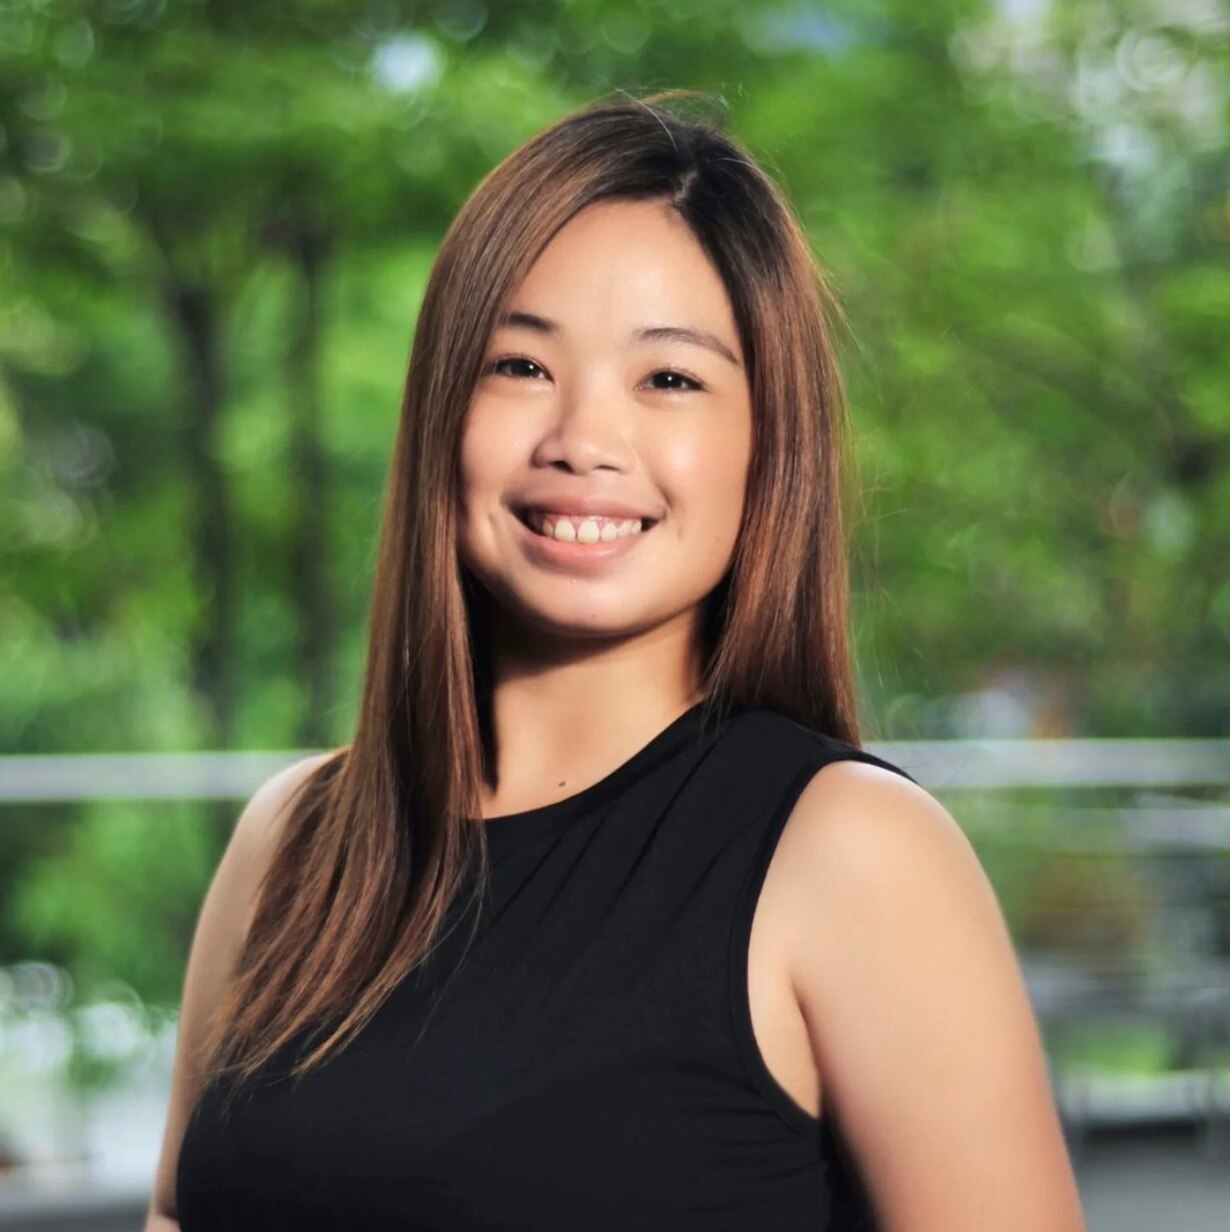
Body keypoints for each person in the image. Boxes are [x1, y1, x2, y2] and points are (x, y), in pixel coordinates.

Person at [145, 91, 1087, 1231]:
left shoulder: (851, 854)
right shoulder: (293, 837)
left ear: (766, 440)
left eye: (671, 378)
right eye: (520, 366)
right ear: (442, 406)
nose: (583, 439)